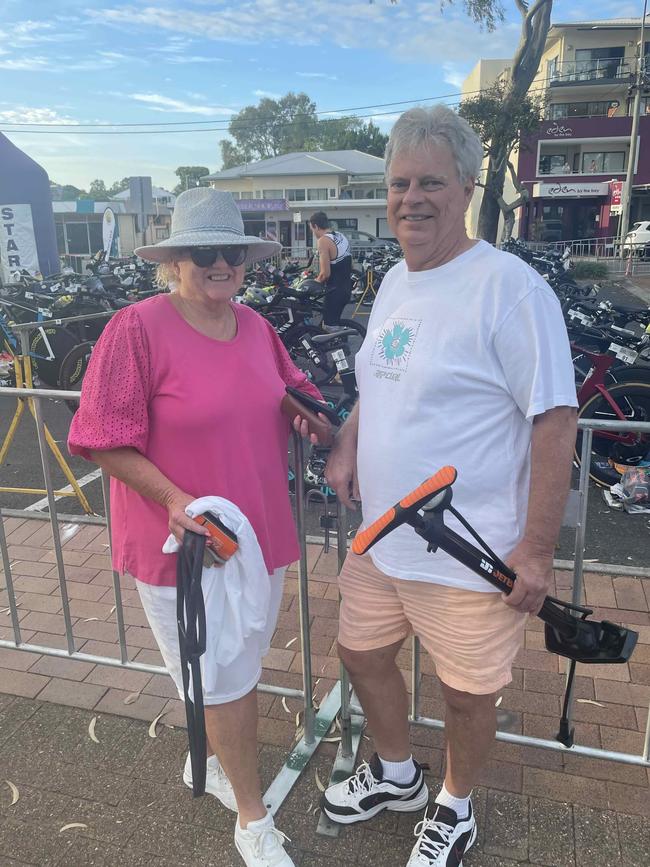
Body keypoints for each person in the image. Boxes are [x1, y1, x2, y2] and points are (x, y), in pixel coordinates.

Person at [322, 106, 578, 866]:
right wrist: (347, 439)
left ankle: (455, 805)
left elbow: (555, 421)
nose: (412, 198)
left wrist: (535, 549)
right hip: (384, 538)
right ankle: (399, 773)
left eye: (431, 181)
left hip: (470, 549)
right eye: (399, 183)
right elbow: (381, 379)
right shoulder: (397, 280)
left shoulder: (509, 289)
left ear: (466, 185)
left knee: (468, 692)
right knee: (360, 652)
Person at [68, 187, 323, 867]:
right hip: (185, 545)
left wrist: (310, 414)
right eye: (205, 252)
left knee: (228, 665)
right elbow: (98, 437)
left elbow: (298, 388)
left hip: (256, 533)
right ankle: (252, 818)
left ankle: (204, 760)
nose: (221, 263)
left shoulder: (257, 328)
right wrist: (177, 498)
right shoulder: (137, 328)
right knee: (225, 674)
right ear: (175, 260)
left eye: (232, 252)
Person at [309, 211, 353, 329]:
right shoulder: (340, 236)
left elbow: (325, 274)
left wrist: (311, 286)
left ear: (316, 226)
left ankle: (340, 347)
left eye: (312, 229)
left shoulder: (323, 241)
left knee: (329, 328)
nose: (313, 233)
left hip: (334, 291)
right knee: (333, 322)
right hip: (346, 288)